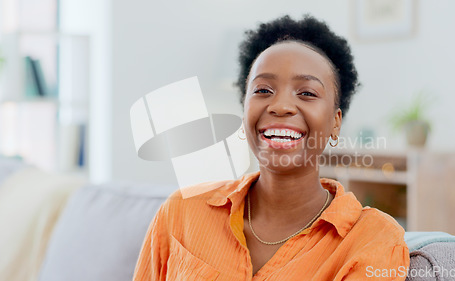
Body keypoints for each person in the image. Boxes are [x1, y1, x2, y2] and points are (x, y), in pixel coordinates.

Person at [133, 15, 409, 281]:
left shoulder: (374, 239)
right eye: (263, 90)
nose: (280, 106)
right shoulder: (182, 210)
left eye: (307, 93)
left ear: (335, 123)